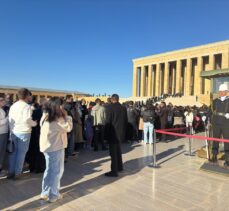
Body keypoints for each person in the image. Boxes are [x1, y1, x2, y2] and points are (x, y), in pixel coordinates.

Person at [39, 97, 73, 203]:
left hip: (48, 147)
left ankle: (45, 193)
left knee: (49, 170)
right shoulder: (57, 119)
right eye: (61, 105)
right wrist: (68, 117)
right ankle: (53, 195)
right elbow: (68, 128)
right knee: (55, 171)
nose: (63, 107)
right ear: (58, 106)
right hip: (55, 147)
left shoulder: (46, 115)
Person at [8, 88, 37, 179]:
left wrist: (11, 131)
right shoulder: (27, 106)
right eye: (29, 95)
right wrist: (35, 123)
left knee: (13, 153)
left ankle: (11, 172)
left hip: (14, 132)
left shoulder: (13, 106)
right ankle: (17, 173)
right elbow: (27, 120)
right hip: (24, 132)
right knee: (21, 153)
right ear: (26, 96)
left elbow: (10, 119)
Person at [105, 94, 127, 177]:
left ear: (112, 99)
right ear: (118, 99)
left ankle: (114, 171)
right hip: (120, 133)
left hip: (112, 133)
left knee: (113, 153)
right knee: (118, 151)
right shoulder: (123, 108)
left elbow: (108, 122)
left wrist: (106, 135)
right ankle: (119, 167)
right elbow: (125, 121)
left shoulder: (110, 108)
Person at [210, 84, 229, 168]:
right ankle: (214, 156)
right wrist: (206, 116)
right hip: (216, 122)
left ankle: (228, 159)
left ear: (227, 92)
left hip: (226, 123)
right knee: (215, 140)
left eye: (224, 91)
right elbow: (210, 110)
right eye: (220, 91)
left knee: (227, 141)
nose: (222, 93)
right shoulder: (215, 101)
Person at [25, 96, 45, 173]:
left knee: (32, 150)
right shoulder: (43, 112)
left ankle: (32, 167)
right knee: (39, 152)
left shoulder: (35, 111)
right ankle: (39, 168)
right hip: (40, 133)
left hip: (33, 133)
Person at [0, 95, 9, 177]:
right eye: (2, 100)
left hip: (4, 132)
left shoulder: (3, 109)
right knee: (1, 151)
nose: (3, 101)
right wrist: (7, 119)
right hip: (1, 133)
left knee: (2, 151)